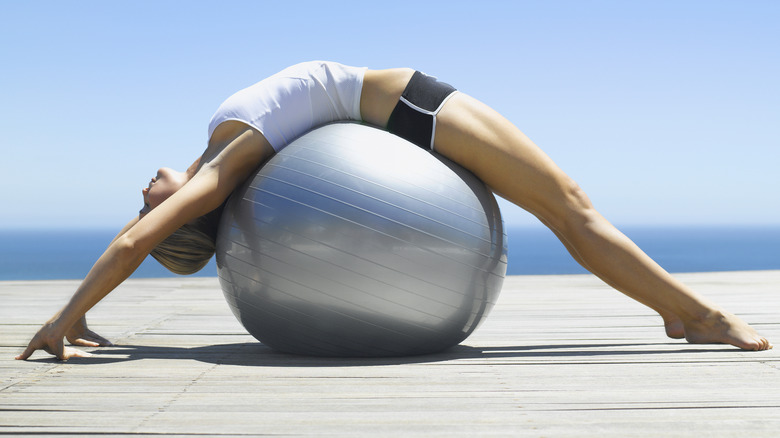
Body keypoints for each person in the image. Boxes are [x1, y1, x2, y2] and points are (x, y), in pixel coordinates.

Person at [16, 61, 771, 361]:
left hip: (397, 122)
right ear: (181, 214)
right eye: (149, 206)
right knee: (572, 208)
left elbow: (135, 238)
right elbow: (134, 241)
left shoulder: (221, 156)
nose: (139, 195)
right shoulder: (218, 170)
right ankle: (694, 314)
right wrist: (64, 317)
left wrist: (76, 316)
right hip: (410, 108)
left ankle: (683, 311)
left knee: (571, 209)